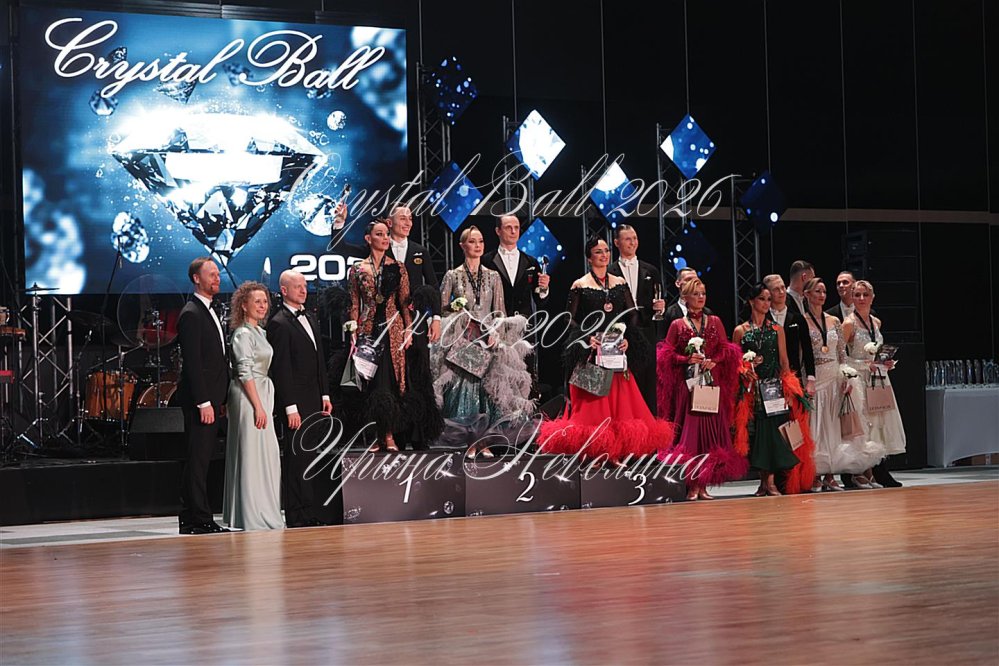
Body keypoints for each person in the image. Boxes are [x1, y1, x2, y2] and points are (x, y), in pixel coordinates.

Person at [539, 238, 673, 464]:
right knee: (594, 407)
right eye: (598, 252)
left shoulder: (619, 282)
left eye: (606, 251)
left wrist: (628, 339)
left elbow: (632, 315)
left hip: (616, 354)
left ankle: (614, 452)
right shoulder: (580, 284)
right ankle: (595, 453)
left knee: (620, 406)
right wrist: (586, 338)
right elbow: (569, 319)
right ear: (589, 258)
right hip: (592, 355)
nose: (604, 255)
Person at [432, 226, 535, 457]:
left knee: (488, 391)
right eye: (472, 241)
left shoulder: (493, 276)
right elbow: (441, 309)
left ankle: (484, 441)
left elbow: (500, 311)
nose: (477, 246)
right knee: (464, 390)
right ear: (462, 246)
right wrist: (456, 312)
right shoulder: (452, 275)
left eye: (480, 241)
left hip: (487, 340)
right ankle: (468, 441)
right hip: (463, 341)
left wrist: (497, 334)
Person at [656, 277, 745, 500]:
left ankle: (704, 484)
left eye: (703, 293)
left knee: (711, 436)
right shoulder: (677, 324)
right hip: (688, 387)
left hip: (710, 385)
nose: (701, 297)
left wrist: (714, 360)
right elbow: (665, 355)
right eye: (696, 294)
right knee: (691, 436)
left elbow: (726, 349)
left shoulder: (714, 321)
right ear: (685, 297)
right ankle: (692, 484)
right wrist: (686, 359)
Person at [801, 277, 885, 491]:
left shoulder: (834, 321)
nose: (821, 295)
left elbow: (841, 353)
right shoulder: (802, 321)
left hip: (834, 376)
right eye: (817, 291)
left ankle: (830, 474)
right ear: (806, 295)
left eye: (823, 291)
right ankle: (815, 473)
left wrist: (846, 376)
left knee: (833, 426)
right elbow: (800, 354)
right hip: (815, 376)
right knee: (816, 425)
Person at [732, 283, 815, 496]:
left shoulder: (776, 329)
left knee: (773, 433)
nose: (766, 303)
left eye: (769, 299)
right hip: (751, 389)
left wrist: (788, 387)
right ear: (751, 301)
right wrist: (743, 369)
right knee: (757, 435)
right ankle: (763, 483)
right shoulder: (741, 331)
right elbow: (734, 362)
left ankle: (770, 483)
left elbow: (784, 361)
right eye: (762, 299)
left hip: (772, 388)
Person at [266, 270, 332, 528]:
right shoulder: (279, 323)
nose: (303, 290)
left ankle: (309, 510)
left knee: (310, 455)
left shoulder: (311, 317)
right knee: (297, 458)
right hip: (295, 403)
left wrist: (325, 393)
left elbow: (319, 360)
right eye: (297, 286)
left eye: (305, 286)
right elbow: (281, 369)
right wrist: (290, 407)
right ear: (284, 290)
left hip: (314, 397)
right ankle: (296, 515)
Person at [345, 220, 417, 452]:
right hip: (368, 330)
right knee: (372, 382)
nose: (385, 238)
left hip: (392, 330)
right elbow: (354, 303)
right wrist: (353, 331)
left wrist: (408, 329)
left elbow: (405, 303)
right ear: (368, 239)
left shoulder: (398, 267)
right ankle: (377, 434)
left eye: (387, 234)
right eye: (379, 234)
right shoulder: (357, 270)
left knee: (391, 380)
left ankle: (390, 434)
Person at [174, 257, 230, 534]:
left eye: (218, 274)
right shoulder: (191, 313)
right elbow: (193, 364)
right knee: (197, 460)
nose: (217, 278)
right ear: (197, 279)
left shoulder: (208, 310)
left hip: (213, 398)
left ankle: (191, 517)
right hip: (201, 401)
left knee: (202, 459)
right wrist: (204, 402)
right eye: (211, 274)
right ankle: (199, 518)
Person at [222, 282, 283, 531]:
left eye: (265, 301)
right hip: (248, 396)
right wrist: (258, 406)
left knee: (265, 453)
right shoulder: (243, 334)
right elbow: (244, 370)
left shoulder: (261, 333)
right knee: (251, 451)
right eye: (257, 301)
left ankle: (262, 508)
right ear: (244, 305)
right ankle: (250, 513)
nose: (262, 305)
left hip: (262, 391)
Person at [386, 202, 444, 449]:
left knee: (419, 376)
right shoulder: (381, 246)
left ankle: (420, 435)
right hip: (389, 323)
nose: (408, 223)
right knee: (395, 377)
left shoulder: (420, 251)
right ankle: (396, 433)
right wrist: (338, 225)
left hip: (417, 322)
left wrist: (436, 318)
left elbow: (433, 286)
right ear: (390, 223)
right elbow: (344, 248)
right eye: (403, 218)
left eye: (410, 218)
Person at [842, 280, 906, 488]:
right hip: (860, 378)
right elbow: (841, 356)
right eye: (857, 295)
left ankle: (878, 469)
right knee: (864, 424)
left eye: (865, 295)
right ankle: (862, 471)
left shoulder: (876, 322)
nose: (861, 298)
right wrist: (863, 365)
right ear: (852, 297)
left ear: (872, 297)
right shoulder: (849, 323)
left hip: (877, 378)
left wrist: (885, 362)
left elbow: (877, 352)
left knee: (879, 422)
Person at [608, 225, 665, 415]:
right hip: (620, 333)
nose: (632, 243)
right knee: (622, 382)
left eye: (635, 238)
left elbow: (659, 297)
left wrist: (660, 306)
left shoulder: (651, 270)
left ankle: (648, 427)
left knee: (647, 383)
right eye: (627, 239)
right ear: (617, 243)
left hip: (646, 331)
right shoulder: (610, 271)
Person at [482, 213, 551, 317]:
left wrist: (544, 288)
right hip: (495, 322)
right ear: (498, 231)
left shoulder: (531, 262)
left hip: (524, 323)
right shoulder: (486, 261)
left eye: (516, 227)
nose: (513, 231)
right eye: (508, 228)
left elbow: (540, 301)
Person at [763, 273, 816, 397]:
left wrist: (811, 378)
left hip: (794, 377)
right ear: (768, 293)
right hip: (768, 379)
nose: (782, 292)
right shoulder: (763, 318)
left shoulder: (798, 318)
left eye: (783, 287)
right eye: (776, 289)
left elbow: (807, 349)